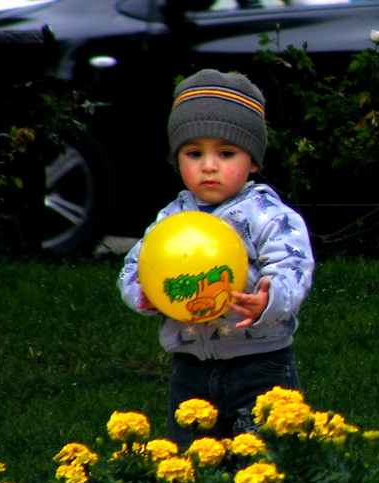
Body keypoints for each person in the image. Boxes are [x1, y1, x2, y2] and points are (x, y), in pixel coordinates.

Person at [118, 68, 314, 447]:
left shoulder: (267, 215)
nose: (209, 166)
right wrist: (144, 294)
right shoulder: (171, 220)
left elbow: (293, 268)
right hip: (190, 366)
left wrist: (269, 299)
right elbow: (134, 268)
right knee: (193, 454)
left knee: (264, 452)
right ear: (177, 159)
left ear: (253, 161)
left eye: (226, 153)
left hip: (260, 363)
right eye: (194, 153)